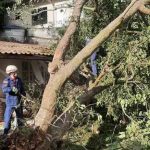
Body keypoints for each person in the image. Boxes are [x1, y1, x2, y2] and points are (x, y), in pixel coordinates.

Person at [2, 65, 25, 135]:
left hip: (18, 102)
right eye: (14, 72)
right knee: (7, 118)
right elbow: (4, 89)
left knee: (20, 118)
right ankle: (5, 133)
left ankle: (22, 133)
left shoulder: (19, 80)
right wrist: (11, 89)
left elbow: (22, 90)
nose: (16, 74)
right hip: (10, 103)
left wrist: (24, 95)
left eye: (16, 72)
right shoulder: (6, 80)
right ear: (10, 73)